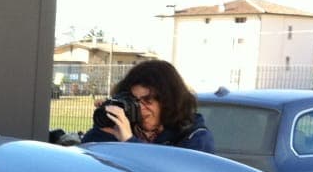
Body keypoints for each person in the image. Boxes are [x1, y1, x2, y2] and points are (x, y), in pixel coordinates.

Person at [80, 58, 215, 152]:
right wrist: (105, 127)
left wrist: (129, 142)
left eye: (147, 100)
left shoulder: (194, 137)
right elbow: (87, 158)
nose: (140, 107)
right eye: (134, 100)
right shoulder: (126, 127)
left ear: (169, 102)